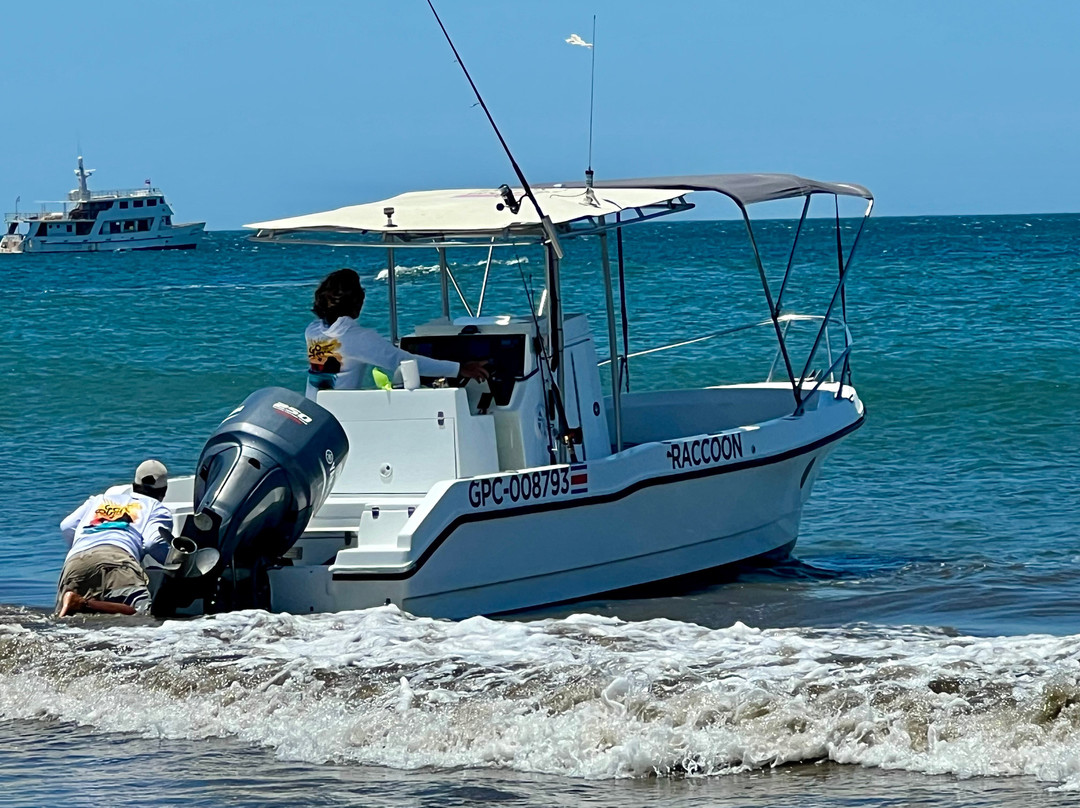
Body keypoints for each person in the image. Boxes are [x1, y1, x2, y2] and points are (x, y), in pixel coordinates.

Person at [305, 267, 489, 399]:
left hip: (314, 410)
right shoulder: (358, 338)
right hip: (338, 416)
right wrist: (459, 369)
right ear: (357, 302)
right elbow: (404, 362)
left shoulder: (312, 332)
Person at [56, 459, 174, 617]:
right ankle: (83, 603)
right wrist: (175, 564)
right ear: (164, 492)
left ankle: (78, 602)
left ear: (134, 485)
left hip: (75, 561)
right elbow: (153, 543)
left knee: (68, 621)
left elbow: (66, 526)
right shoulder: (156, 508)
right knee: (143, 614)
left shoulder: (99, 499)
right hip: (116, 558)